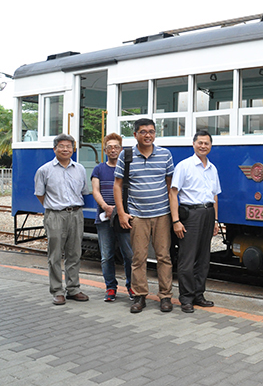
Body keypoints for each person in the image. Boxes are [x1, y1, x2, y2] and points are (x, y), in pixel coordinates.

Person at [114, 118, 175, 314]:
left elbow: (170, 186)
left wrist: (174, 216)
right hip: (137, 216)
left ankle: (165, 296)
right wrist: (122, 213)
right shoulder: (127, 155)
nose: (147, 135)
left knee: (164, 257)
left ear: (155, 134)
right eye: (143, 132)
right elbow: (117, 185)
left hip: (162, 215)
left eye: (151, 131)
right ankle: (140, 296)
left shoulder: (165, 155)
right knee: (138, 258)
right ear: (135, 135)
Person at [169, 130, 221, 313]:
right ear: (193, 144)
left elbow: (215, 196)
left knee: (203, 258)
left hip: (207, 214)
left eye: (207, 143)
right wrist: (176, 221)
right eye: (200, 143)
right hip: (190, 215)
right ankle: (186, 298)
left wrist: (216, 220)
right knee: (187, 259)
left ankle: (199, 294)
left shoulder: (212, 168)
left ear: (211, 146)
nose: (203, 146)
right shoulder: (184, 166)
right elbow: (173, 193)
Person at [34, 134, 89, 305]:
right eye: (62, 146)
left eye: (69, 146)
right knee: (55, 255)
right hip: (55, 215)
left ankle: (73, 289)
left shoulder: (80, 168)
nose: (66, 149)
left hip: (76, 215)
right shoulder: (44, 170)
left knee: (74, 253)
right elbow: (40, 194)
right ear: (54, 149)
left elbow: (84, 191)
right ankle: (57, 290)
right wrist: (55, 207)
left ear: (73, 149)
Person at [91, 133, 134, 302]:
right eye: (110, 147)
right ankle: (110, 288)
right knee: (106, 255)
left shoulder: (127, 169)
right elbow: (95, 190)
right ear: (105, 150)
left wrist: (120, 210)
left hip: (124, 217)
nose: (113, 150)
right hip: (104, 218)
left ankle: (131, 286)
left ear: (121, 149)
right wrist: (106, 207)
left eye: (116, 147)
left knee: (129, 255)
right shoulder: (99, 169)